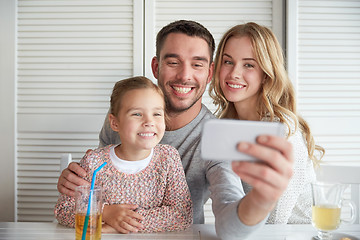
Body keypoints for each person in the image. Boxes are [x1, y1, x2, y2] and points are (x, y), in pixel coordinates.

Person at [57, 20, 294, 239]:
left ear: (210, 72)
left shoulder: (213, 138)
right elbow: (98, 189)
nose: (184, 75)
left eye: (197, 64)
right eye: (173, 62)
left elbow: (229, 219)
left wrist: (261, 200)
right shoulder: (124, 120)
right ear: (156, 66)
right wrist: (75, 185)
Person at [209, 22, 325, 224]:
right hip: (251, 230)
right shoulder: (226, 125)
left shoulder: (283, 130)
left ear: (266, 74)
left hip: (302, 232)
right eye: (228, 62)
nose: (234, 73)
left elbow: (276, 219)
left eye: (248, 65)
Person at [54, 76, 193, 233]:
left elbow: (181, 214)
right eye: (137, 114)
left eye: (157, 114)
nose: (149, 121)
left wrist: (118, 223)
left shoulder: (168, 158)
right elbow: (64, 209)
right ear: (115, 123)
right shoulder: (94, 161)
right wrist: (106, 212)